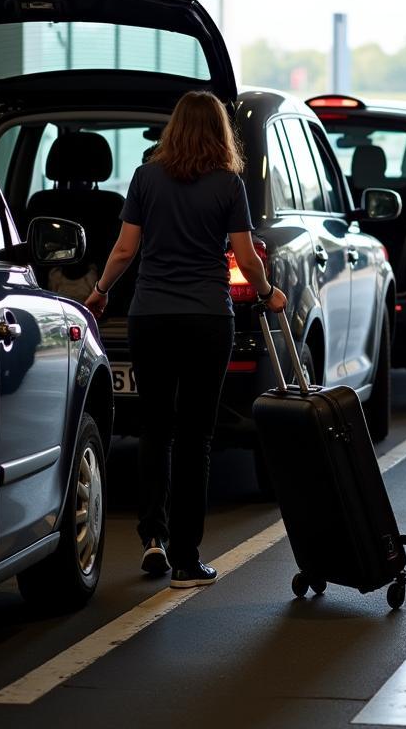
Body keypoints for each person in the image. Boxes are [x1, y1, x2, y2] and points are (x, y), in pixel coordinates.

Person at [85, 91, 286, 587]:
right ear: (220, 132)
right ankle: (185, 559)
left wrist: (99, 292)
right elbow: (245, 256)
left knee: (155, 428)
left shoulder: (146, 178)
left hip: (150, 316)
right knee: (196, 436)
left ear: (173, 130)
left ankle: (151, 536)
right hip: (206, 321)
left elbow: (125, 248)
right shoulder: (228, 184)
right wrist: (268, 291)